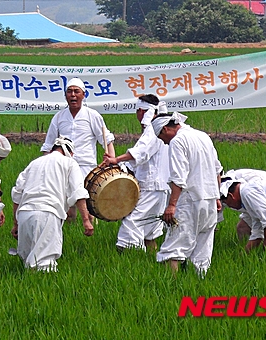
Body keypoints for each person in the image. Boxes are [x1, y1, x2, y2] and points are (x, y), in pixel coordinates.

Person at [151, 112, 223, 276]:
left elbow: (178, 176)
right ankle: (199, 283)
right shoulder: (202, 136)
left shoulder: (177, 141)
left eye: (162, 139)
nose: (165, 143)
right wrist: (217, 196)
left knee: (173, 248)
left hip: (190, 201)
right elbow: (217, 169)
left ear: (165, 129)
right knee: (203, 250)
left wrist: (172, 205)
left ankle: (171, 287)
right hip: (210, 201)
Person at [11, 136, 94, 272]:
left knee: (27, 262)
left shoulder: (34, 163)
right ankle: (41, 291)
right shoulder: (70, 163)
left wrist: (16, 223)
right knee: (44, 265)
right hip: (47, 214)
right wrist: (86, 220)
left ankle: (27, 288)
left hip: (24, 214)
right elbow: (78, 192)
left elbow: (17, 194)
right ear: (70, 153)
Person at [101, 94, 170, 252]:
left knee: (132, 224)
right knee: (150, 230)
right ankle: (150, 261)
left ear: (140, 111)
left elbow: (141, 152)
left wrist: (116, 160)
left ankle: (133, 259)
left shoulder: (153, 130)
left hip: (151, 186)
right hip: (160, 187)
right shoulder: (162, 127)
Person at [40, 77, 115, 222]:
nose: (73, 95)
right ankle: (69, 235)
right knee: (66, 206)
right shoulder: (59, 117)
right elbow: (48, 145)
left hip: (86, 167)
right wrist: (45, 166)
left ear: (83, 95)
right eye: (69, 92)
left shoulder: (92, 116)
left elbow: (107, 140)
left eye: (76, 91)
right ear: (65, 95)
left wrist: (112, 162)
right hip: (63, 166)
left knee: (88, 207)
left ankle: (90, 235)